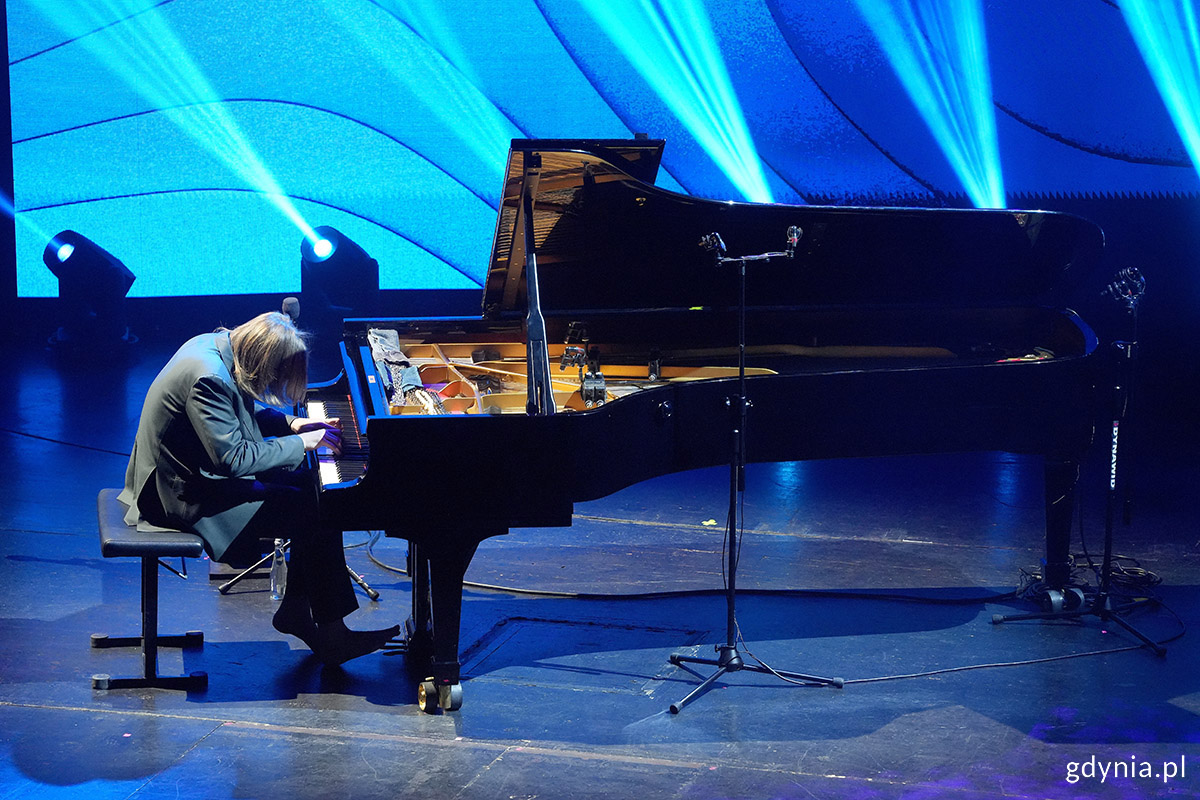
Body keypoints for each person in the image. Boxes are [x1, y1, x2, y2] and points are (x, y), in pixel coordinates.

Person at [118, 311, 398, 665]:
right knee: (314, 507)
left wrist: (293, 424)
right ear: (262, 362)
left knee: (314, 494)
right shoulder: (209, 378)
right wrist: (302, 444)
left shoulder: (216, 346)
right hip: (178, 497)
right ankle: (325, 630)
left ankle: (304, 614)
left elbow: (237, 413)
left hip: (189, 475)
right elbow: (233, 459)